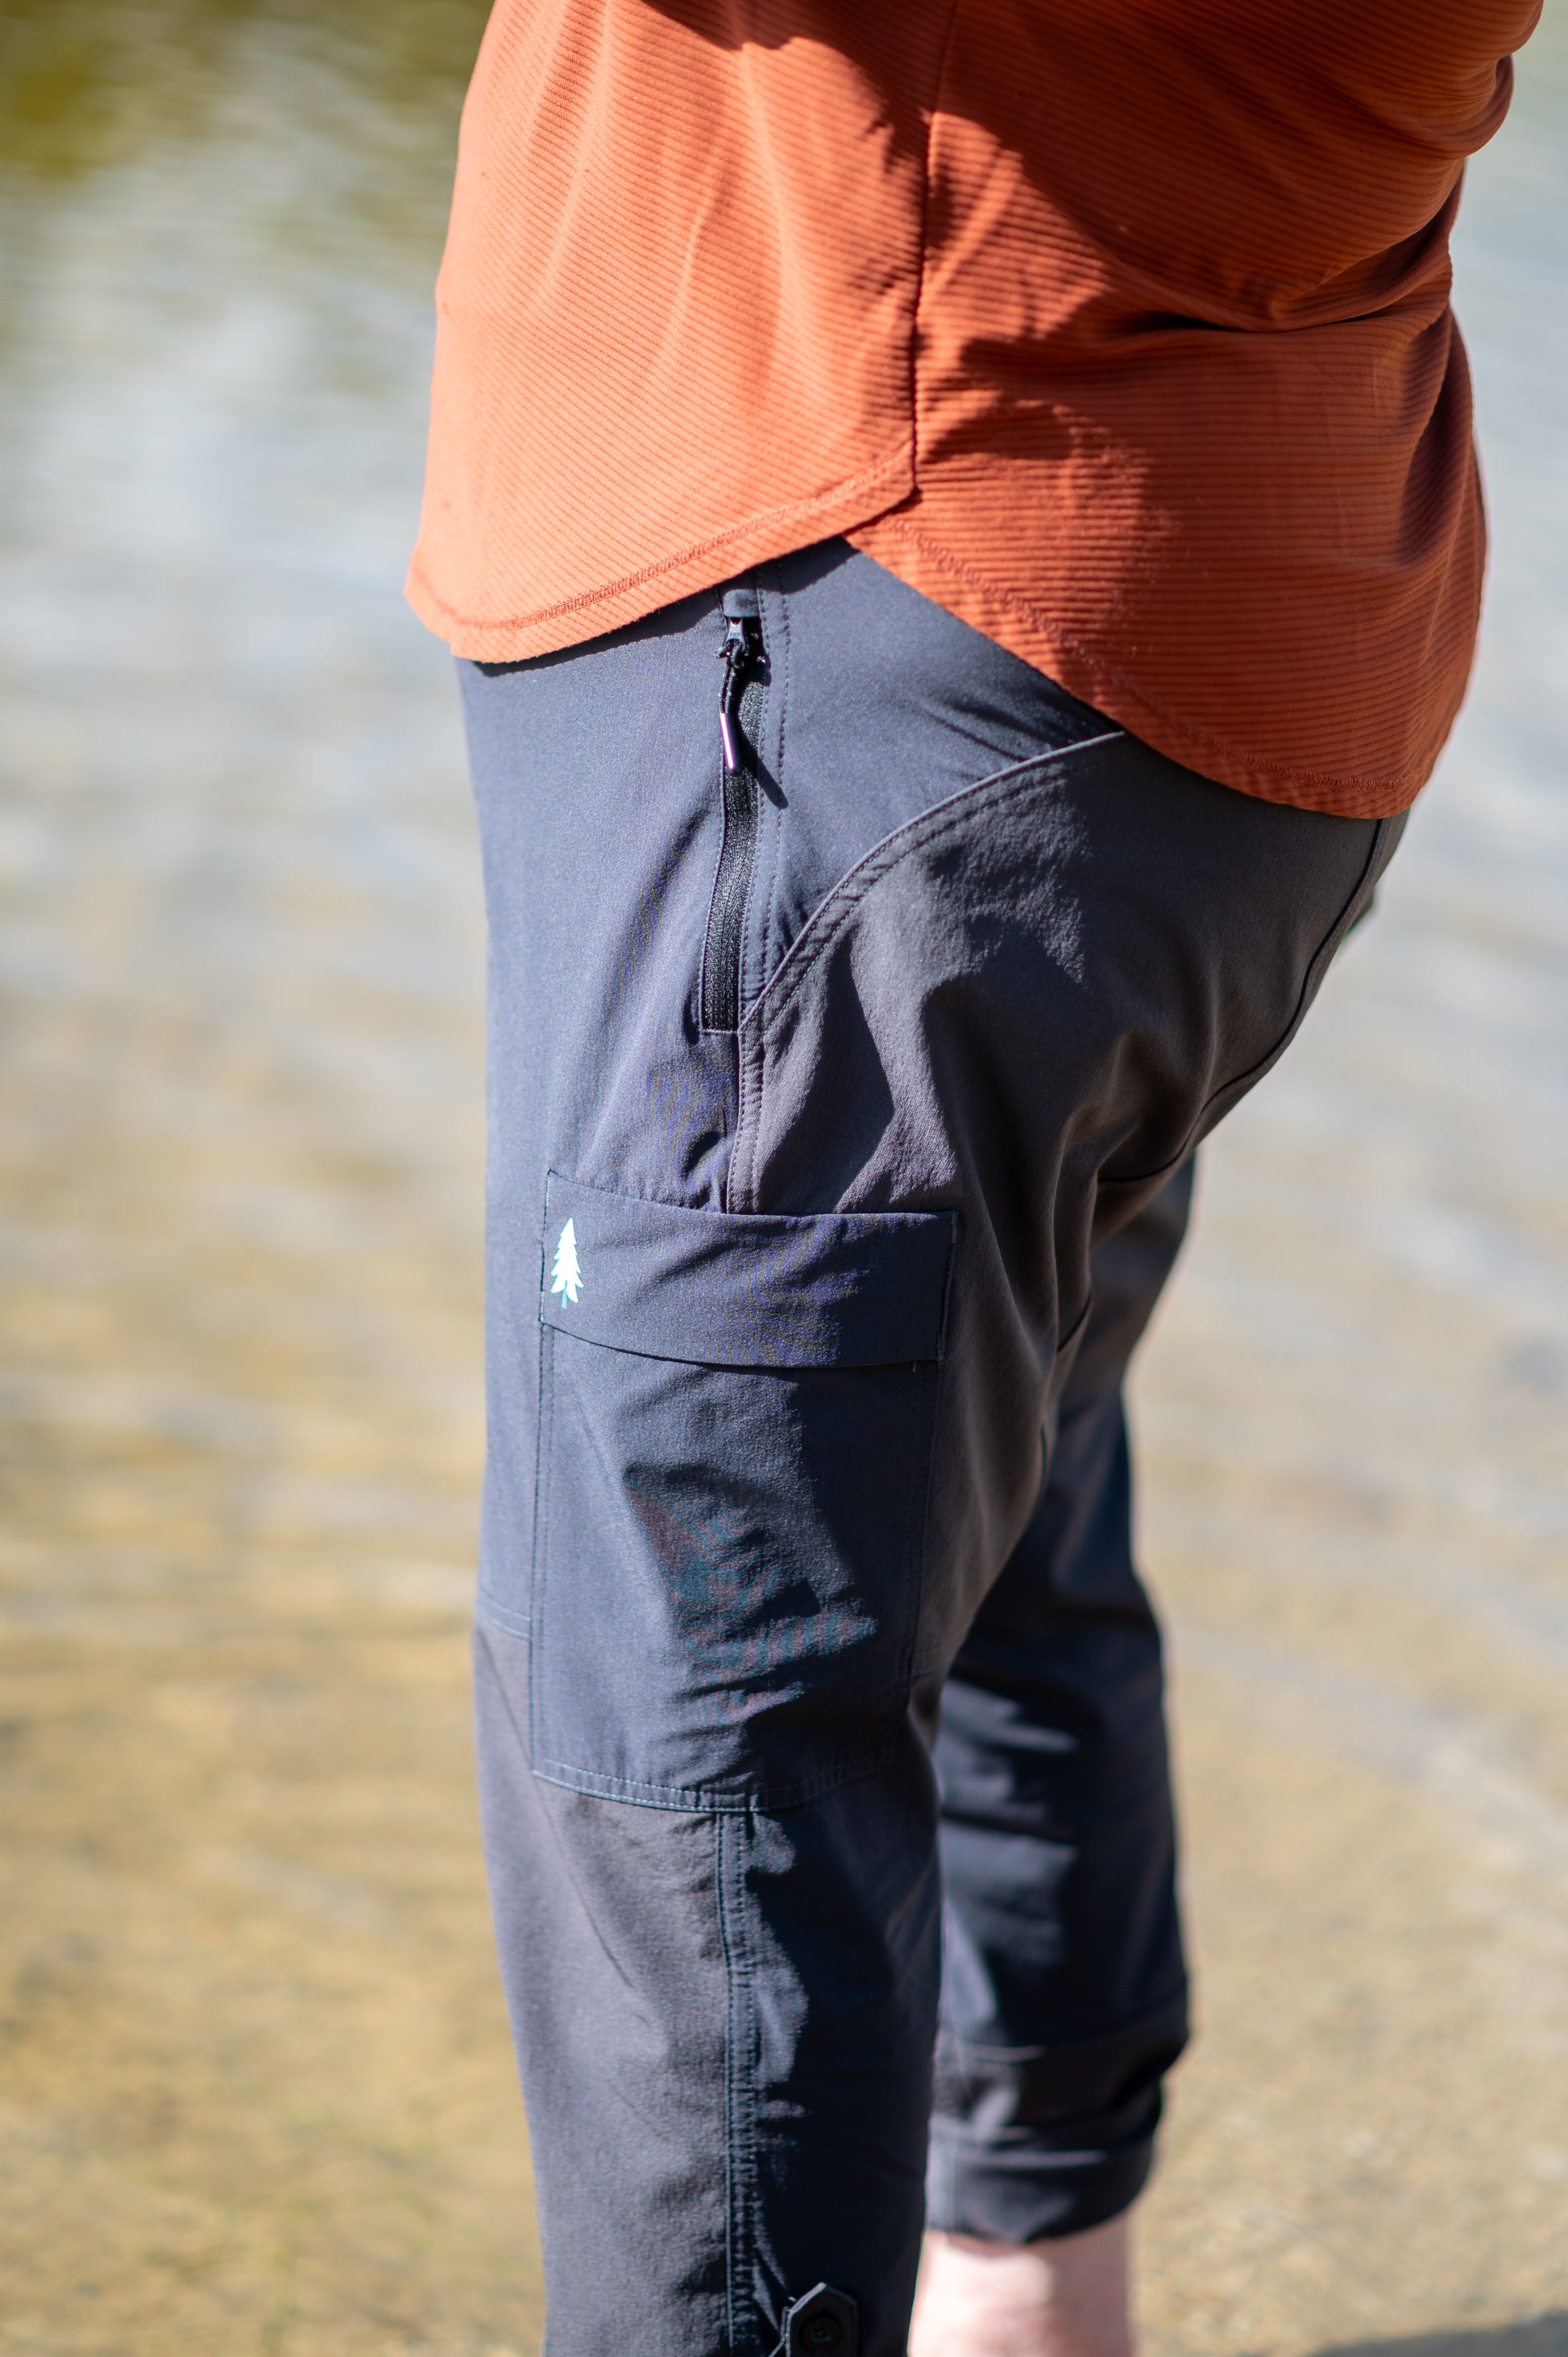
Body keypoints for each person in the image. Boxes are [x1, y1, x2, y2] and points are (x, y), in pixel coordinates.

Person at [404, 6, 1540, 2353]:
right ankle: (1028, 2290)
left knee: (697, 1726)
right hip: (1190, 620)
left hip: (871, 597)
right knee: (989, 1504)